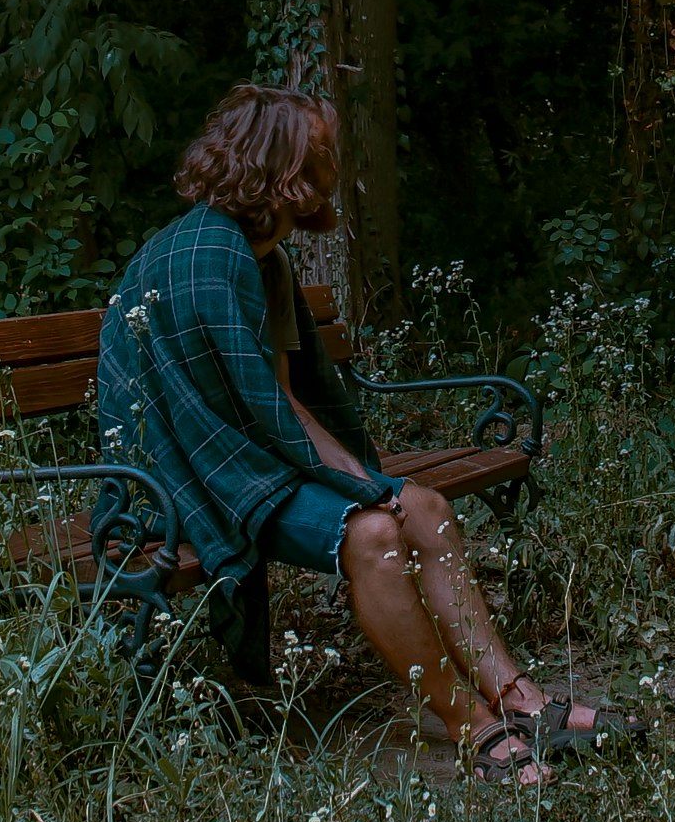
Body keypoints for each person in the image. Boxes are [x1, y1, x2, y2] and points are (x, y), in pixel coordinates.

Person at [96, 83, 630, 784]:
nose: (334, 163)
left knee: (425, 507)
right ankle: (472, 726)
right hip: (189, 481)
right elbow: (242, 419)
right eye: (321, 150)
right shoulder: (206, 254)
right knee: (375, 534)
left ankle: (518, 698)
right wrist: (364, 491)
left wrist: (372, 482)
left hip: (250, 457)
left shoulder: (265, 258)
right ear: (284, 167)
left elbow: (278, 399)